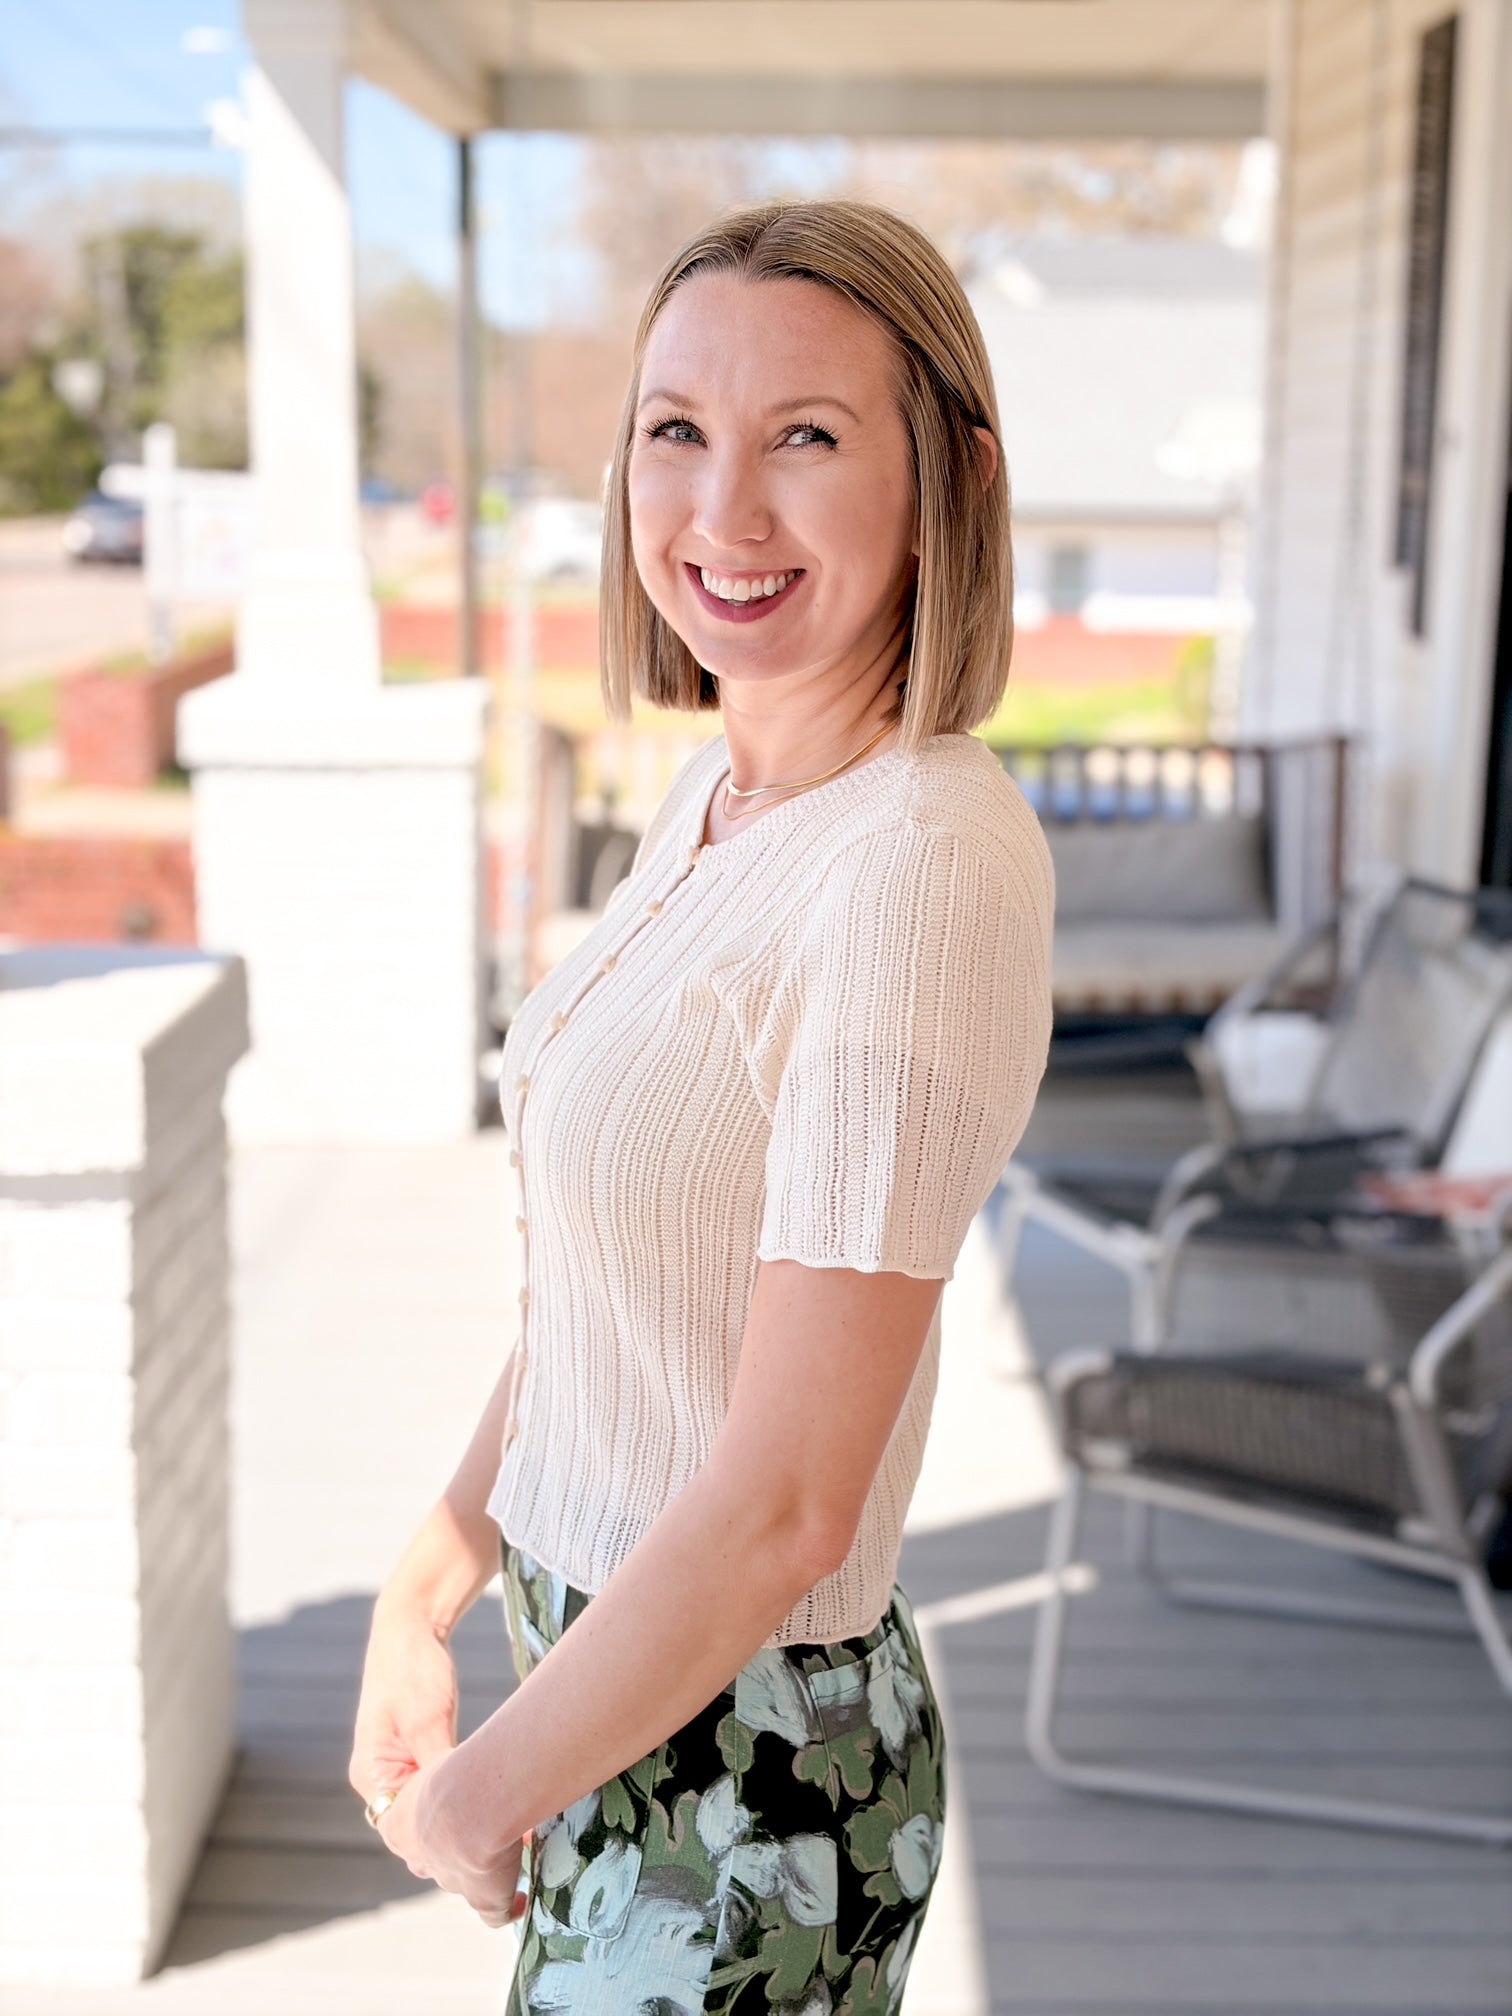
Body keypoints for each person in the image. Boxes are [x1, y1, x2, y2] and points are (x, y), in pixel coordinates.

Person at [349, 197, 1055, 2013]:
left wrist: (485, 1797)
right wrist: (435, 1570)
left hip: (749, 1782)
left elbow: (790, 1503)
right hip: (616, 1689)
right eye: (676, 432)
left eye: (805, 439)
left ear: (951, 478)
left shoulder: (911, 868)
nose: (720, 516)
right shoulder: (729, 800)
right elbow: (622, 1267)